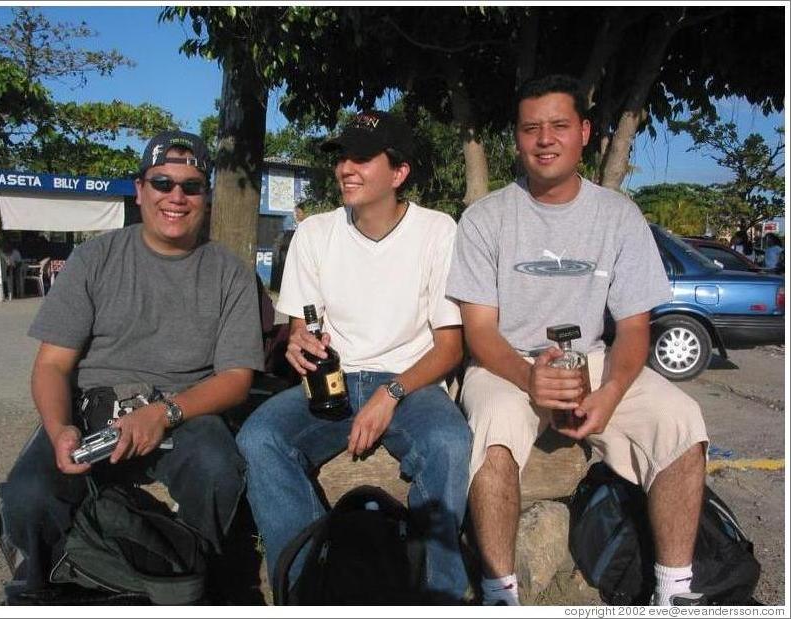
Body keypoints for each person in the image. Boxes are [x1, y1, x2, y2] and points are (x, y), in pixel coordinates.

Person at [446, 75, 709, 606]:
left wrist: (610, 391)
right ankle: (501, 593)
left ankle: (675, 590)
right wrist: (529, 378)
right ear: (517, 139)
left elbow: (635, 327)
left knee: (681, 419)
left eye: (559, 125)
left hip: (592, 357)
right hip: (509, 363)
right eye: (531, 128)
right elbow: (479, 331)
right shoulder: (484, 218)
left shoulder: (619, 216)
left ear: (585, 133)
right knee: (492, 433)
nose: (545, 139)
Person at [0, 130, 265, 602]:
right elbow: (53, 365)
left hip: (182, 411)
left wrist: (163, 414)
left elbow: (236, 379)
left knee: (219, 470)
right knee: (27, 496)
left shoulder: (230, 273)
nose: (176, 197)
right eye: (162, 183)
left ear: (207, 195)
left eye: (191, 185)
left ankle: (194, 585)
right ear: (140, 189)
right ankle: (40, 588)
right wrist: (60, 428)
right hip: (89, 410)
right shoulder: (93, 259)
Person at [236, 110, 472, 603]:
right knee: (259, 438)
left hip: (410, 381)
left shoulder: (436, 231)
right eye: (342, 156)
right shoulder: (316, 233)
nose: (346, 168)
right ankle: (307, 585)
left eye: (362, 158)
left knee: (449, 442)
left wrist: (391, 392)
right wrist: (299, 342)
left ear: (399, 171)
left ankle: (439, 595)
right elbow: (302, 326)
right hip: (334, 382)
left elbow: (450, 347)